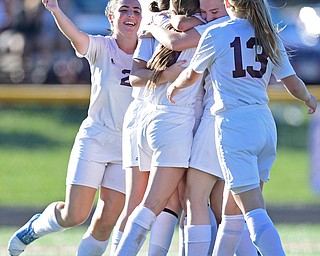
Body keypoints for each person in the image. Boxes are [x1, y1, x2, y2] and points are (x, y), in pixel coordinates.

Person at [167, 0, 317, 255]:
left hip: (234, 125)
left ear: (227, 3)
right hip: (264, 124)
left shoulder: (217, 32)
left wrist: (174, 87)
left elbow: (191, 74)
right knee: (232, 214)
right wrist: (309, 99)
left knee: (253, 213)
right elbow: (292, 83)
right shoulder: (268, 34)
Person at [7, 0, 142, 256]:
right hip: (96, 137)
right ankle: (34, 228)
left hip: (127, 145)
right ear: (111, 17)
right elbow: (75, 35)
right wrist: (56, 10)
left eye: (136, 11)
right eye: (124, 9)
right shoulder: (102, 46)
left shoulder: (151, 51)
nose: (131, 15)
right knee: (75, 214)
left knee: (106, 221)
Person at [113, 0, 208, 255]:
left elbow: (135, 75)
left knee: (169, 202)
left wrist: (155, 25)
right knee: (156, 203)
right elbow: (176, 42)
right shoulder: (209, 24)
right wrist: (166, 74)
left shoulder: (155, 22)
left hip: (146, 117)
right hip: (174, 121)